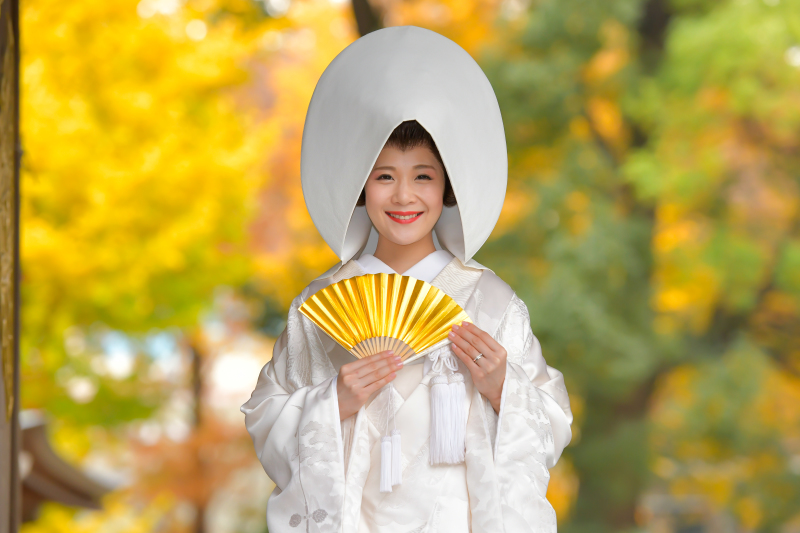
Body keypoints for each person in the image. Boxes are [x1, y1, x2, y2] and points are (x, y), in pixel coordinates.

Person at [240, 26, 573, 533]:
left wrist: (503, 387)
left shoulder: (490, 302)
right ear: (360, 185)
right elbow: (266, 416)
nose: (403, 197)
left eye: (423, 176)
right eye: (383, 176)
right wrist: (333, 402)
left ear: (447, 187)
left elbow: (553, 423)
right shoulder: (321, 306)